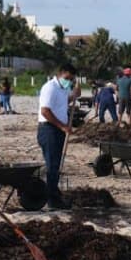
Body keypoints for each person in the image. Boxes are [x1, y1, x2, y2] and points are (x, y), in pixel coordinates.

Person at [37, 62, 78, 210]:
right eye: (67, 77)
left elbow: (61, 104)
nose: (69, 81)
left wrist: (73, 96)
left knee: (55, 164)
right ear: (61, 73)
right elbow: (45, 111)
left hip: (58, 131)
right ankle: (53, 200)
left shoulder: (63, 89)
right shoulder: (50, 88)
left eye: (71, 79)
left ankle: (53, 192)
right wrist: (62, 126)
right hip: (49, 130)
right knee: (52, 166)